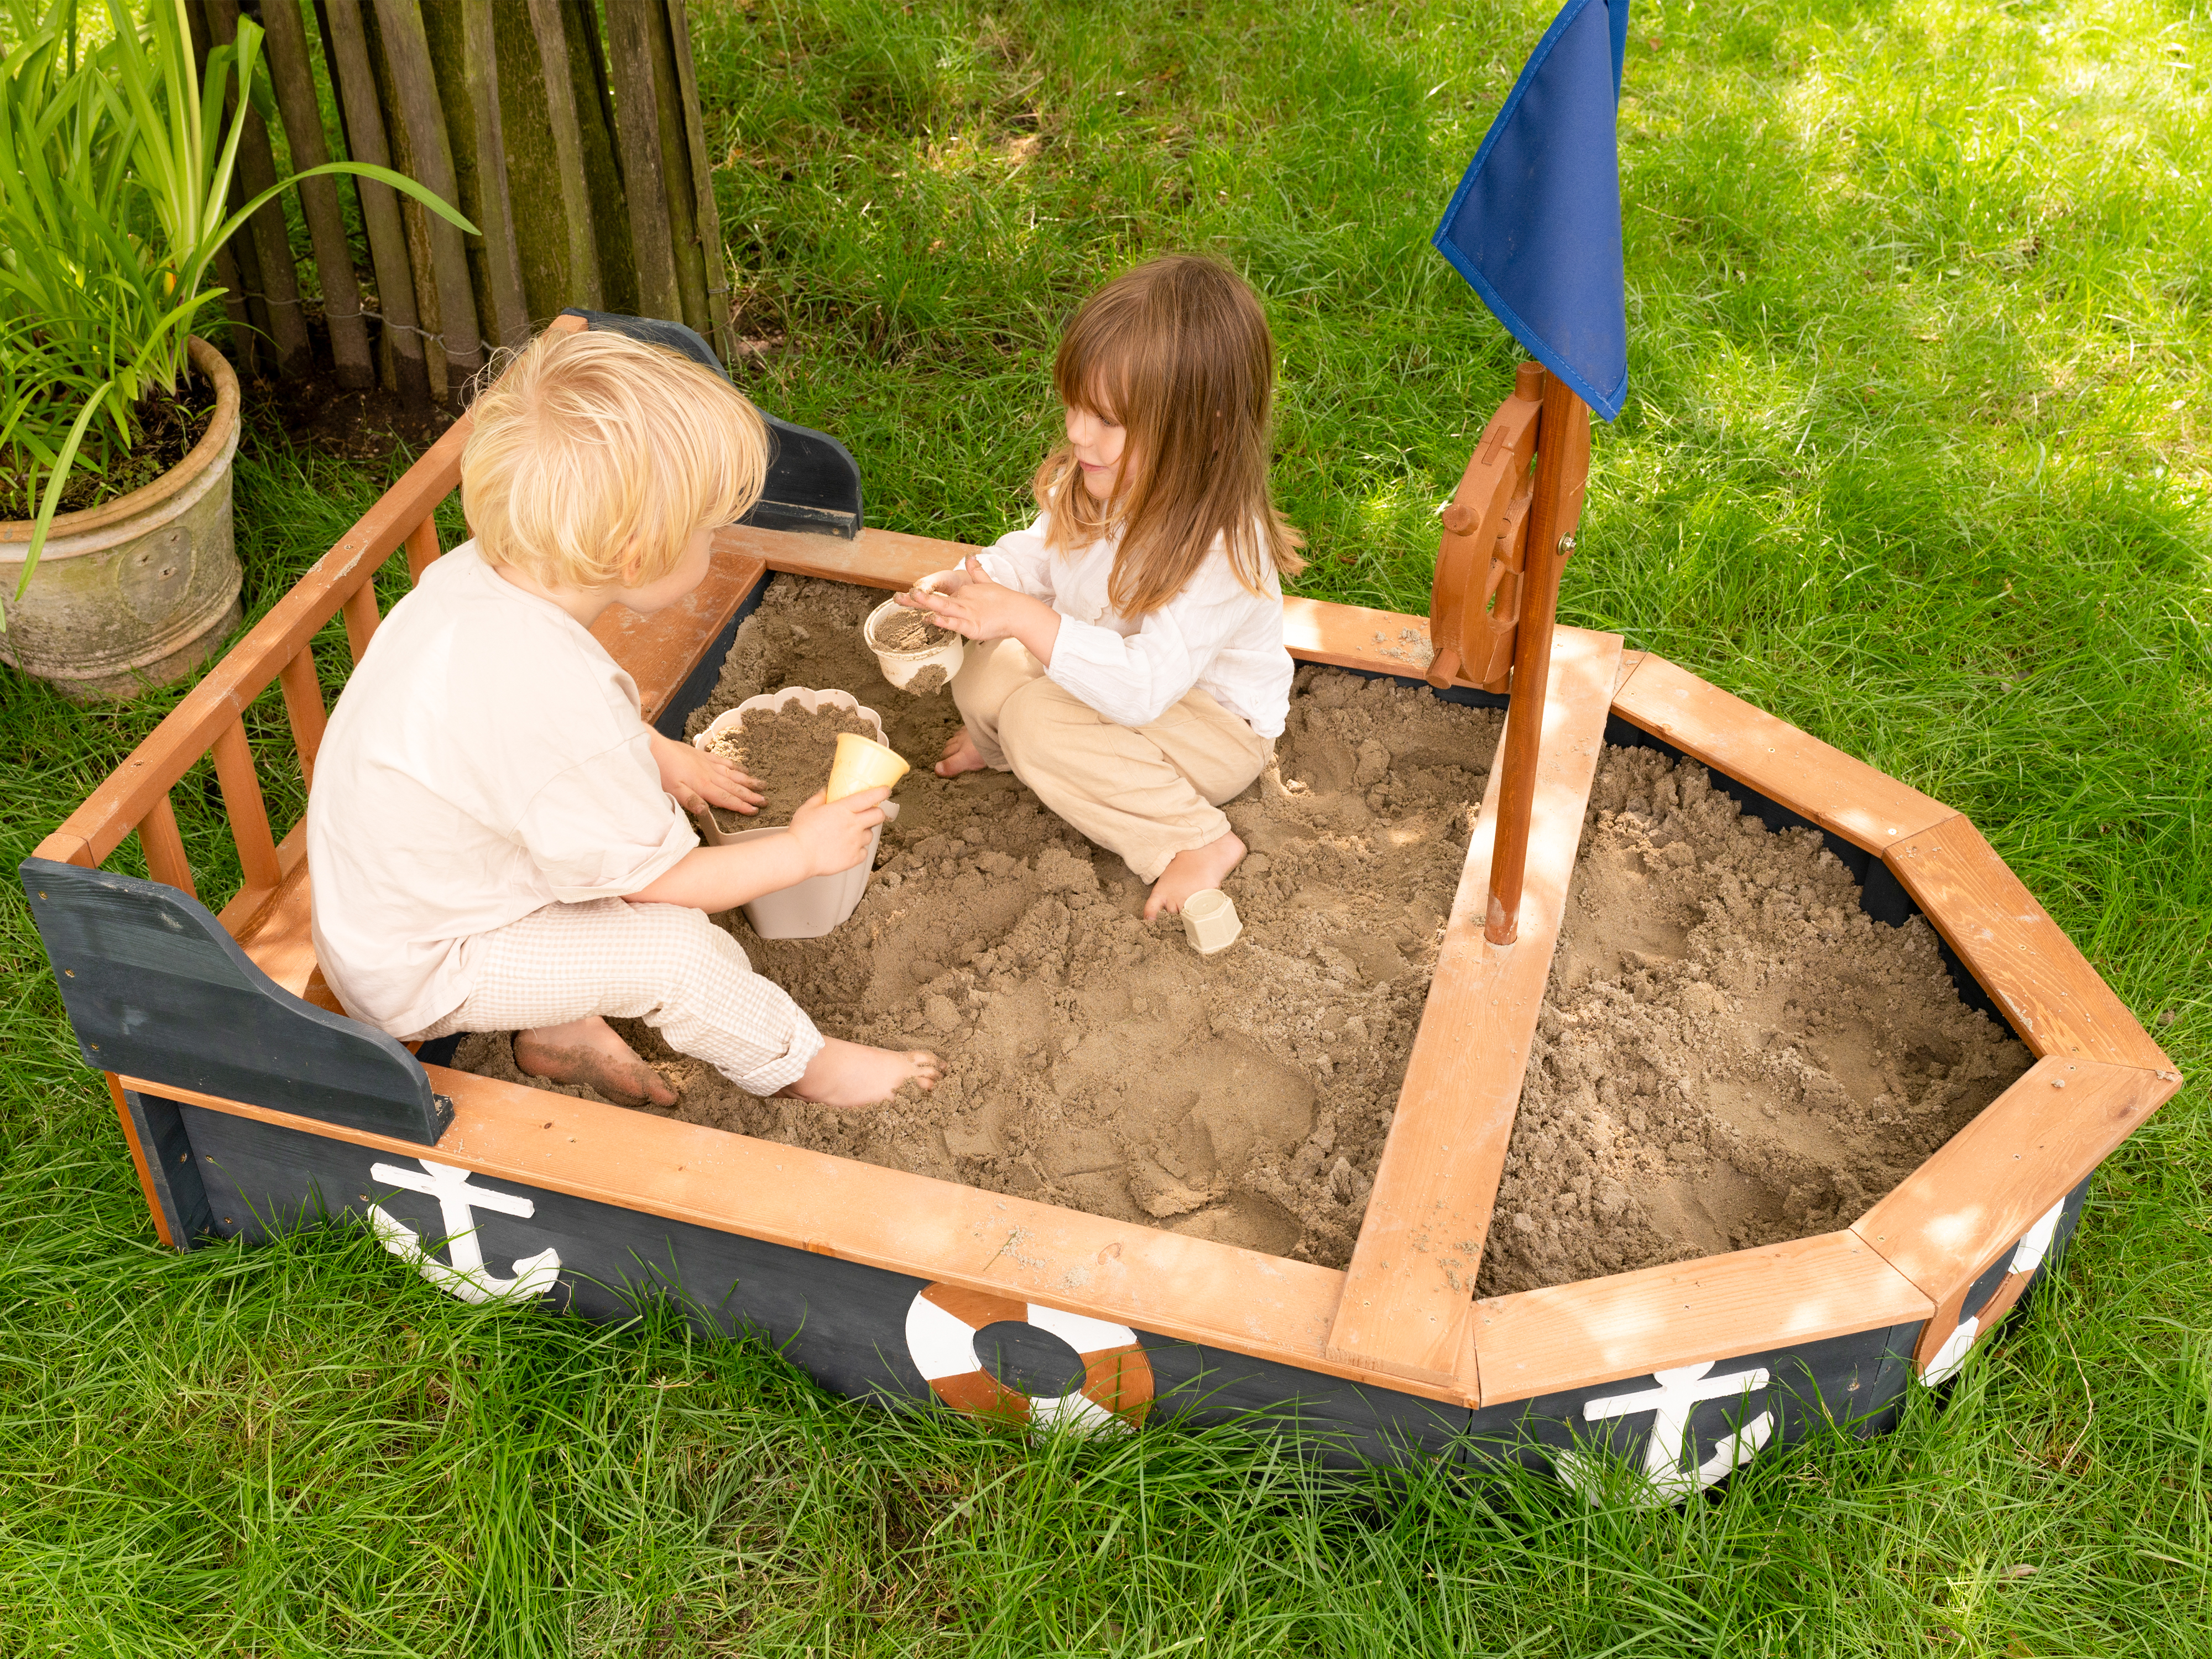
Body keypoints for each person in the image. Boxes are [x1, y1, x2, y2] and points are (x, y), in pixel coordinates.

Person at [305, 328, 938, 1109]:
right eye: (708, 532)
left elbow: (521, 747)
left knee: (601, 849)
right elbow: (663, 888)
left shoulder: (475, 583)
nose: (716, 542)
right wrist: (802, 850)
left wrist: (660, 754)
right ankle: (802, 1066)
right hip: (432, 963)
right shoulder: (555, 700)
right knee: (676, 954)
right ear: (638, 558)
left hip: (402, 907)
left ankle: (558, 1030)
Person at [895, 253, 1304, 919]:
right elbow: (1041, 556)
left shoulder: (1225, 546)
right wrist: (979, 582)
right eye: (1075, 407)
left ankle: (1193, 840)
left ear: (1204, 428)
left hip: (1211, 724)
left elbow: (1144, 689)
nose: (1077, 434)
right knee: (982, 673)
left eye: (1107, 420)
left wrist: (1026, 621)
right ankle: (999, 746)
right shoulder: (1093, 479)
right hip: (1107, 666)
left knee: (1036, 719)